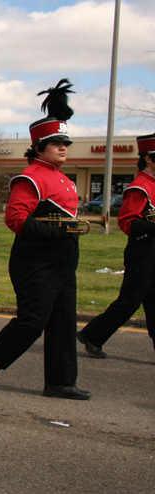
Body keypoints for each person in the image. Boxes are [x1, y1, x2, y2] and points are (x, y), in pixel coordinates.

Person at [0, 79, 91, 400]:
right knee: (32, 322)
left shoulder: (64, 179)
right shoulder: (30, 177)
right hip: (35, 262)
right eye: (56, 144)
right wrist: (58, 233)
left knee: (64, 323)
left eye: (66, 143)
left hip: (64, 261)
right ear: (39, 148)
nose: (64, 147)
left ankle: (60, 382)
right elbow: (16, 219)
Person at [78, 132, 155, 358]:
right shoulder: (139, 187)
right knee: (130, 301)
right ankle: (93, 334)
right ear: (149, 159)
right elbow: (128, 223)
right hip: (143, 250)